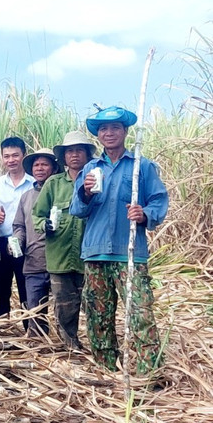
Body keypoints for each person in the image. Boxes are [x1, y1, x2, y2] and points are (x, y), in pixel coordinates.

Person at [70, 106, 169, 375]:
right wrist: (86, 194)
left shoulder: (141, 166)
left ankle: (149, 375)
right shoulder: (90, 168)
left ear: (125, 132)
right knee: (98, 318)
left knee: (140, 315)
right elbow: (77, 211)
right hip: (96, 253)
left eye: (115, 128)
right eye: (104, 129)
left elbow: (159, 201)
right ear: (98, 135)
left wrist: (144, 213)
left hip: (130, 255)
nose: (109, 133)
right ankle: (106, 371)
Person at [33, 131, 95, 350]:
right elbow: (37, 215)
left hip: (90, 254)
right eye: (70, 151)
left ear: (88, 154)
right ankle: (70, 346)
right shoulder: (53, 184)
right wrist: (45, 226)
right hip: (59, 255)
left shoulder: (97, 179)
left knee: (93, 303)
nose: (75, 155)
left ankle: (98, 345)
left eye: (79, 150)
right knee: (65, 304)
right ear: (64, 156)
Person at [0, 136, 34, 326]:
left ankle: (30, 329)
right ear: (1, 158)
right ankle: (0, 330)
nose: (11, 160)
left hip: (27, 243)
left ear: (24, 155)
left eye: (15, 155)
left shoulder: (34, 183)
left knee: (26, 287)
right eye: (6, 156)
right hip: (2, 241)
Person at [12, 148, 58, 337]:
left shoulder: (62, 192)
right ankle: (38, 346)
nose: (39, 168)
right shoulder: (26, 197)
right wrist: (17, 242)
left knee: (64, 310)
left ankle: (66, 347)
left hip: (59, 262)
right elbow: (19, 225)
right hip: (33, 261)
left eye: (44, 164)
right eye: (36, 165)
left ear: (54, 168)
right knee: (35, 311)